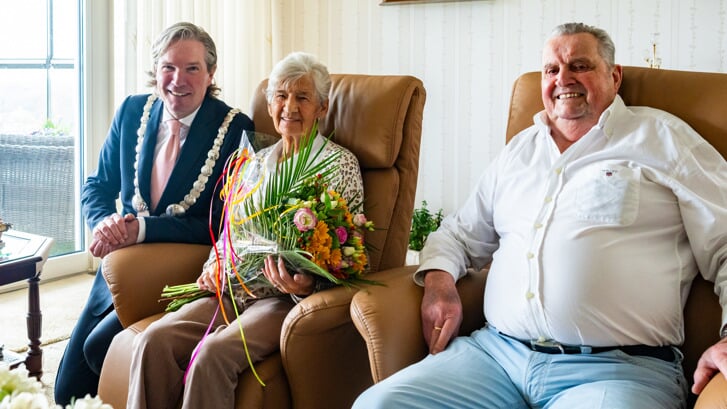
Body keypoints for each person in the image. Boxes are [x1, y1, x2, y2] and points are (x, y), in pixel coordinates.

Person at [353, 22, 727, 409]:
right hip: (494, 359)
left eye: (580, 65)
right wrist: (439, 283)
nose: (563, 79)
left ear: (614, 76)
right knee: (378, 404)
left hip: (619, 371)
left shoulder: (661, 138)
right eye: (551, 70)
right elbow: (460, 234)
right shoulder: (520, 151)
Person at [126, 51, 364, 409]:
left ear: (323, 108)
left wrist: (308, 284)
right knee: (153, 341)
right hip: (230, 289)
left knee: (213, 355)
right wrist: (213, 264)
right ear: (270, 104)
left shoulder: (338, 165)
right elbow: (229, 230)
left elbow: (353, 253)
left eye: (302, 97)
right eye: (281, 96)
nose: (289, 107)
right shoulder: (254, 162)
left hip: (284, 299)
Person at [54, 22, 254, 405]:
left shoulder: (234, 129)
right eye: (168, 67)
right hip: (119, 268)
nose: (178, 80)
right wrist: (105, 223)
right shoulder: (132, 111)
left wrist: (142, 229)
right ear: (155, 70)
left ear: (211, 74)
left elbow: (217, 225)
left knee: (100, 349)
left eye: (192, 69)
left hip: (177, 272)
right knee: (66, 390)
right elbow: (97, 186)